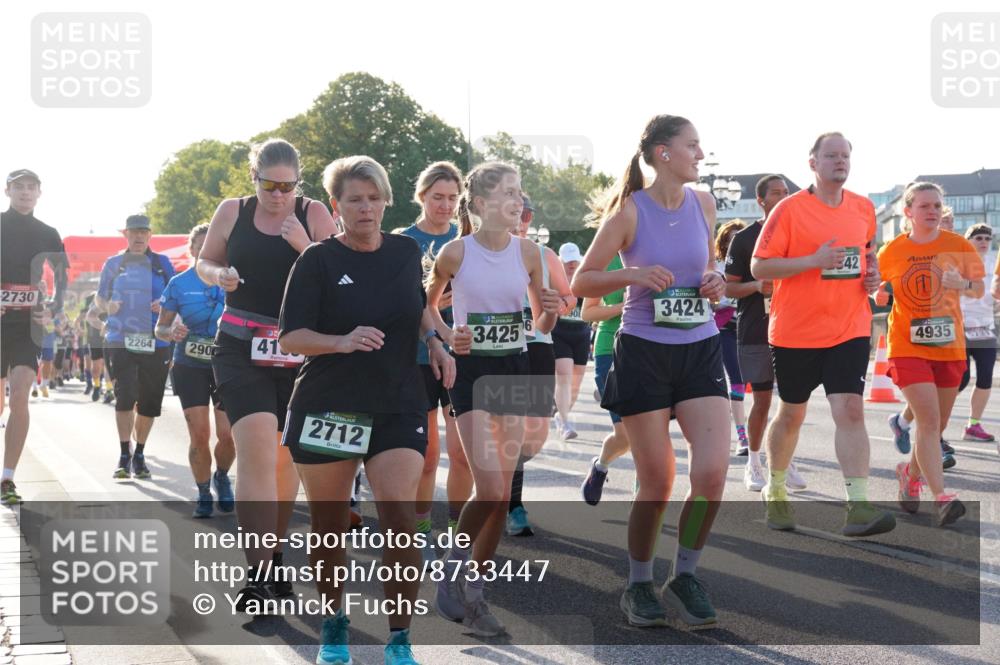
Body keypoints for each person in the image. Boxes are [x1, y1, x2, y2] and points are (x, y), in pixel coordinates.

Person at [279, 155, 453, 665]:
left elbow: (418, 307)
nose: (366, 208)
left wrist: (435, 342)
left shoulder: (405, 251)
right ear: (336, 206)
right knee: (330, 523)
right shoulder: (316, 260)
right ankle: (334, 625)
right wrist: (341, 340)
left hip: (398, 400)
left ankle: (400, 638)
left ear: (386, 202)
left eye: (374, 198)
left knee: (400, 517)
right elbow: (291, 337)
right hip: (330, 405)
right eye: (354, 199)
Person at [573, 115, 731, 628]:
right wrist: (633, 274)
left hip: (700, 347)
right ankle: (639, 583)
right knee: (658, 480)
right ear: (664, 152)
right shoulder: (629, 211)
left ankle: (684, 575)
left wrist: (714, 280)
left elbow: (708, 266)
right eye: (693, 145)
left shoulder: (703, 203)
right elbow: (582, 282)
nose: (701, 154)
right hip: (644, 350)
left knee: (712, 473)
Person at [197, 138, 337, 608]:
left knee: (283, 462)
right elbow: (204, 260)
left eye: (287, 187)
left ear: (299, 183)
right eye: (269, 186)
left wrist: (305, 247)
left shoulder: (314, 214)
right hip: (239, 346)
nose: (278, 195)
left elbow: (340, 276)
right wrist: (217, 275)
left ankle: (274, 556)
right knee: (255, 452)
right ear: (253, 178)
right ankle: (257, 574)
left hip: (299, 351)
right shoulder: (232, 211)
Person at [429, 161, 561, 636]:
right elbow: (428, 306)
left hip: (514, 369)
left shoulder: (531, 253)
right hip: (470, 374)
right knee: (487, 488)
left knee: (501, 497)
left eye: (519, 192)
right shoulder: (455, 252)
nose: (517, 201)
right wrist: (449, 336)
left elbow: (541, 325)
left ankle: (475, 594)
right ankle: (452, 570)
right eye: (508, 192)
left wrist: (550, 311)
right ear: (482, 204)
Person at [751, 131, 895, 537]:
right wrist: (813, 260)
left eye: (845, 155)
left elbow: (867, 256)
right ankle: (776, 489)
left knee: (850, 409)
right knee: (791, 413)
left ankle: (858, 506)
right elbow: (760, 267)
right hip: (795, 331)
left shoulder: (864, 208)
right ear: (813, 163)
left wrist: (871, 276)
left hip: (849, 326)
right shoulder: (790, 209)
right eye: (831, 155)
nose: (840, 161)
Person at [876, 182, 980, 526]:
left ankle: (910, 473)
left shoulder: (958, 245)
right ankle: (942, 498)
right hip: (907, 346)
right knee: (929, 421)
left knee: (935, 427)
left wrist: (962, 285)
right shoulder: (891, 250)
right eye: (924, 206)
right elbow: (877, 287)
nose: (932, 211)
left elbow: (980, 288)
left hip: (950, 347)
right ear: (908, 212)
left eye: (937, 205)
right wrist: (878, 295)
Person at [400, 161, 471, 539]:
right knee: (426, 458)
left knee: (462, 455)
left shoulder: (469, 239)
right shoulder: (403, 241)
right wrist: (431, 305)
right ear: (422, 196)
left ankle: (459, 535)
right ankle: (423, 532)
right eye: (437, 197)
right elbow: (401, 301)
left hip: (462, 356)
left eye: (452, 198)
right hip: (418, 358)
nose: (445, 205)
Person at [724, 175, 807, 492]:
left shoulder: (800, 234)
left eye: (786, 192)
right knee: (762, 401)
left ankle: (785, 461)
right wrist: (757, 286)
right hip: (757, 328)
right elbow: (729, 288)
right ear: (760, 200)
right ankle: (754, 463)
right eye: (776, 193)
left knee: (793, 403)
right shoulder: (745, 238)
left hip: (795, 328)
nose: (784, 197)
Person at [155, 223, 235, 518]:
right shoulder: (179, 283)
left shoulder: (233, 280)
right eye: (200, 246)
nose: (207, 251)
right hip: (190, 366)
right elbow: (161, 328)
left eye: (212, 246)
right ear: (192, 250)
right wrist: (170, 332)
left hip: (228, 364)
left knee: (228, 435)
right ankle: (203, 492)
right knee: (200, 435)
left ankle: (222, 476)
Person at [507, 196, 573, 536]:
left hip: (537, 344)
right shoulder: (484, 252)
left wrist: (559, 304)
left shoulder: (545, 255)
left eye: (526, 214)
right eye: (514, 212)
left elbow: (569, 296)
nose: (521, 220)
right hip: (500, 347)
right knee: (509, 428)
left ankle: (502, 480)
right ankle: (512, 504)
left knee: (535, 432)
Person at [0, 169, 67, 505]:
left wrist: (52, 307)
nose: (25, 192)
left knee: (20, 397)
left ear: (39, 193)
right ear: (7, 191)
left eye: (31, 187)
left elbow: (62, 276)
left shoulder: (47, 233)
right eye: (19, 187)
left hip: (28, 323)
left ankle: (7, 478)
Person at [95, 214, 176, 480]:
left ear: (150, 235)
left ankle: (139, 453)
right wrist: (108, 306)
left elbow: (175, 296)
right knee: (125, 395)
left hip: (156, 339)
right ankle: (124, 454)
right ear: (126, 235)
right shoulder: (114, 263)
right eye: (134, 232)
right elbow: (99, 298)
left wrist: (163, 304)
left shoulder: (162, 263)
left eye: (143, 232)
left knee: (149, 401)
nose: (139, 237)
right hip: (121, 338)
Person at [580, 250, 632, 505]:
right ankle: (600, 466)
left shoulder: (659, 250)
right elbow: (587, 313)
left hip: (655, 349)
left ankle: (643, 502)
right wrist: (624, 307)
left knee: (650, 435)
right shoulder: (605, 258)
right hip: (610, 350)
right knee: (626, 437)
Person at [713, 221, 750, 454]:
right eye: (730, 239)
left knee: (746, 384)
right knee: (736, 380)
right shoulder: (716, 266)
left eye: (739, 238)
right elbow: (709, 300)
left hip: (749, 328)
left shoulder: (753, 264)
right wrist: (721, 301)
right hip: (724, 328)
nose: (734, 243)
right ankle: (741, 437)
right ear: (723, 242)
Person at [957, 224, 996, 442]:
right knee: (960, 379)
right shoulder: (958, 261)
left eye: (987, 238)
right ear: (968, 240)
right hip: (960, 326)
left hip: (985, 328)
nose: (983, 242)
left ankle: (973, 425)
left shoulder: (994, 263)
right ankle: (933, 422)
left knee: (985, 377)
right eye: (978, 237)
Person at [552, 242, 590, 440]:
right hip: (559, 332)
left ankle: (561, 415)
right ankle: (565, 423)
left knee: (576, 381)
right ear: (560, 261)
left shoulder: (584, 278)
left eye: (574, 261)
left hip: (581, 333)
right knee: (564, 374)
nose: (572, 265)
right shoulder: (553, 279)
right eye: (568, 261)